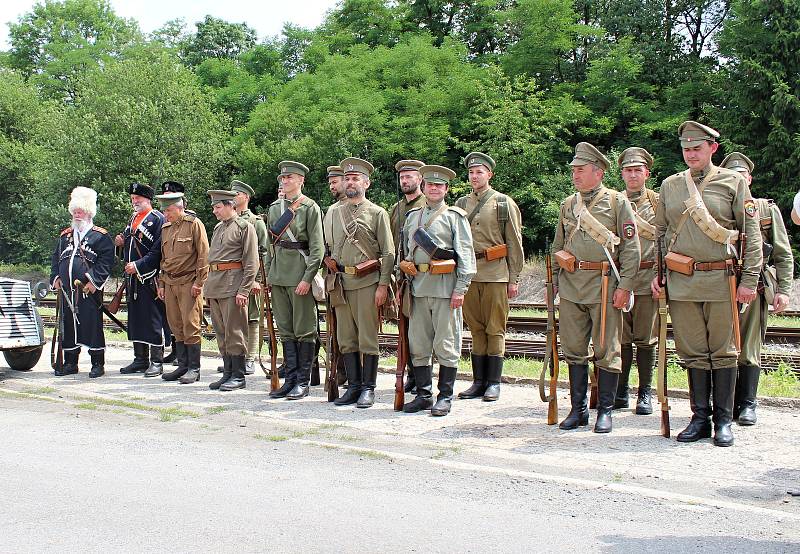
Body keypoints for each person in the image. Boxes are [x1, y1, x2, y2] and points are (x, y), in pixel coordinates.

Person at [651, 122, 762, 447]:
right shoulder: (671, 185)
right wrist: (659, 276)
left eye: (697, 149)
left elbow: (751, 234)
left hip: (721, 280)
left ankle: (723, 420)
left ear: (713, 149)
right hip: (682, 282)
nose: (691, 154)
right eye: (686, 149)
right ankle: (699, 418)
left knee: (724, 352)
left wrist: (749, 279)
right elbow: (660, 235)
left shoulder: (733, 183)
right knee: (694, 352)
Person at [551, 142, 641, 433]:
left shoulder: (617, 202)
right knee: (573, 348)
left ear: (598, 172)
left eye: (581, 170)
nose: (575, 175)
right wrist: (552, 283)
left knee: (606, 348)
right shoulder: (568, 204)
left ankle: (605, 410)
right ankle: (578, 410)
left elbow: (631, 249)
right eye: (574, 170)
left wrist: (625, 285)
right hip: (571, 284)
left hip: (604, 284)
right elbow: (558, 245)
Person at [721, 152, 794, 426]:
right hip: (721, 286)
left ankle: (748, 403)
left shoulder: (765, 209)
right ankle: (726, 403)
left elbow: (783, 254)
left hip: (756, 286)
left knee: (749, 345)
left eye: (742, 177)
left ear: (749, 179)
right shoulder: (717, 208)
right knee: (723, 346)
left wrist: (783, 290)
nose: (738, 182)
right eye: (733, 178)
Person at [400, 164, 476, 416]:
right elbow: (405, 252)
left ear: (446, 189)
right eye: (430, 184)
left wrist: (461, 288)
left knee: (446, 344)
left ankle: (444, 396)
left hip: (445, 289)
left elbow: (465, 255)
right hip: (418, 289)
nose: (434, 189)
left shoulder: (455, 217)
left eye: (439, 185)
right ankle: (423, 395)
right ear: (423, 186)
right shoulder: (412, 217)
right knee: (419, 344)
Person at [325, 157, 394, 408]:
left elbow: (388, 253)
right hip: (341, 282)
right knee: (346, 338)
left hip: (367, 282)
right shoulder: (333, 213)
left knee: (367, 338)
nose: (350, 182)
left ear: (367, 183)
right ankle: (353, 387)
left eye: (355, 178)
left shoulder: (377, 213)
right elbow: (326, 247)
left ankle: (368, 388)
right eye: (347, 178)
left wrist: (383, 285)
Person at [455, 152, 523, 402]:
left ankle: (493, 382)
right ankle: (478, 381)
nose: (474, 176)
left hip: (495, 273)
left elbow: (514, 243)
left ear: (489, 174)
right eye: (471, 172)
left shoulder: (503, 203)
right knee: (476, 328)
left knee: (495, 328)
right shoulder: (461, 204)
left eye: (479, 172)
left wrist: (514, 278)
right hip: (470, 274)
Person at [264, 161, 324, 399]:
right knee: (286, 330)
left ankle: (303, 381)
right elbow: (270, 246)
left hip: (299, 275)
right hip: (279, 275)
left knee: (304, 330)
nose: (285, 181)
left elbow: (317, 248)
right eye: (283, 178)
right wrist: (269, 273)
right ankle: (289, 380)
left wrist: (308, 278)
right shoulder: (274, 208)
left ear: (301, 180)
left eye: (290, 177)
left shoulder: (310, 208)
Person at [50, 187, 115, 378]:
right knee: (68, 325)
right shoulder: (65, 236)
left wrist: (94, 281)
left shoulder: (100, 236)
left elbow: (106, 260)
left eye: (80, 211)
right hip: (67, 290)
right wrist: (56, 278)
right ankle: (70, 362)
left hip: (87, 289)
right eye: (75, 211)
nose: (77, 215)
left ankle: (97, 363)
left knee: (92, 324)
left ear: (88, 212)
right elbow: (56, 259)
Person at [613, 148, 659, 414]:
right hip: (621, 279)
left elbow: (666, 239)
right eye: (628, 170)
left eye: (637, 170)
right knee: (621, 338)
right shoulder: (613, 202)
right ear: (622, 174)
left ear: (646, 174)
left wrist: (660, 276)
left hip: (647, 278)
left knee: (646, 338)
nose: (632, 175)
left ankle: (645, 392)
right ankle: (621, 391)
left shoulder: (657, 203)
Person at [204, 190, 259, 391]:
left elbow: (252, 262)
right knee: (221, 332)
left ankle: (238, 375)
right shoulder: (218, 228)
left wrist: (244, 290)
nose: (214, 211)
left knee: (235, 332)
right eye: (214, 207)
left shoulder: (245, 227)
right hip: (216, 285)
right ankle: (227, 372)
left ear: (230, 205)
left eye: (218, 207)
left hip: (232, 285)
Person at [114, 183, 170, 377]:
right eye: (132, 199)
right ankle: (140, 359)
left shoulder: (157, 219)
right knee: (136, 319)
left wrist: (138, 266)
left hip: (149, 277)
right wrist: (120, 245)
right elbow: (130, 247)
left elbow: (157, 251)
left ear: (148, 199)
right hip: (132, 278)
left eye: (138, 198)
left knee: (153, 320)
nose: (134, 201)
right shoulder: (133, 219)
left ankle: (156, 361)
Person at [156, 191, 209, 383]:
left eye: (169, 210)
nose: (166, 214)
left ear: (180, 208)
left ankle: (194, 368)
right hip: (170, 283)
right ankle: (183, 365)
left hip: (189, 282)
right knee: (176, 325)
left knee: (191, 324)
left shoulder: (194, 224)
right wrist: (161, 283)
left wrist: (199, 282)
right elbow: (164, 259)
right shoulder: (166, 228)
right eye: (164, 211)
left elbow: (204, 255)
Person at [389, 159, 426, 393]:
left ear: (420, 179)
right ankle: (411, 374)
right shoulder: (397, 208)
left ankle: (423, 377)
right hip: (401, 277)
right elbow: (391, 243)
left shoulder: (428, 205)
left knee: (422, 329)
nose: (405, 181)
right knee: (406, 328)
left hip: (421, 275)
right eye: (402, 177)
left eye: (410, 176)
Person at [227, 179, 268, 377]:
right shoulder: (228, 221)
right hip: (231, 278)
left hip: (250, 278)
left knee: (252, 318)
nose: (234, 197)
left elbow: (263, 253)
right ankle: (237, 358)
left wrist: (257, 279)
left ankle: (250, 358)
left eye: (237, 194)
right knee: (235, 319)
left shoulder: (255, 222)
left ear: (246, 197)